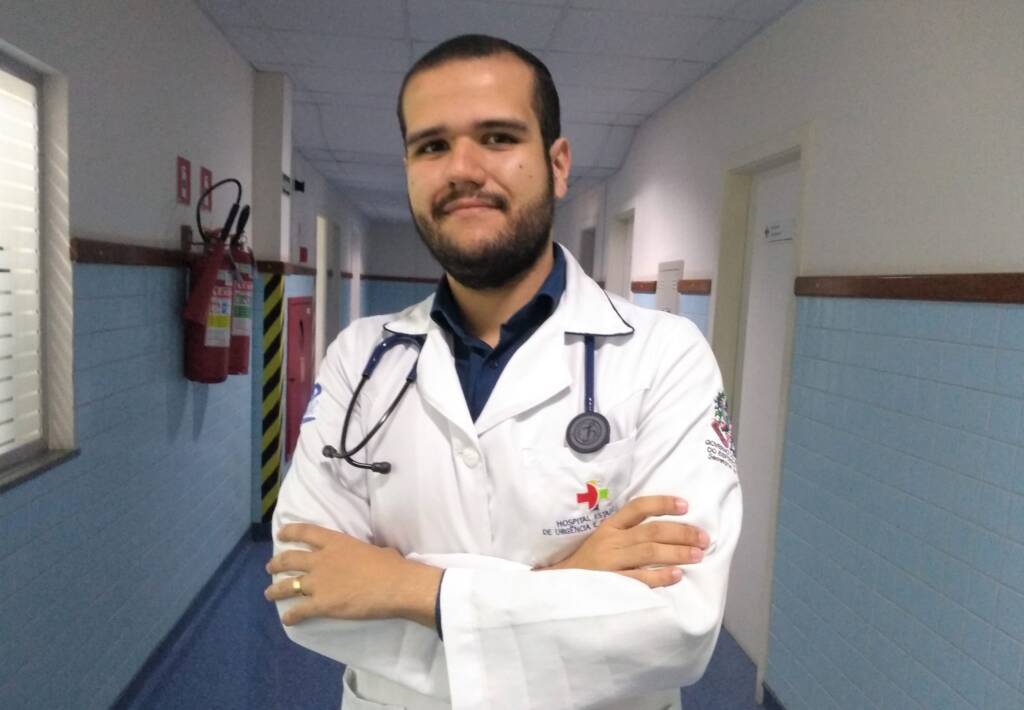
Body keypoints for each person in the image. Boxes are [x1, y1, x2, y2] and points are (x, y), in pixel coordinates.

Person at [264, 34, 742, 710]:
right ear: (408, 169)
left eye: (497, 137)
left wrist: (407, 589)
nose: (462, 168)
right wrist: (568, 585)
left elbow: (674, 628)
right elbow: (306, 593)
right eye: (432, 146)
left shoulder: (666, 356)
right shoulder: (359, 360)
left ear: (557, 163)